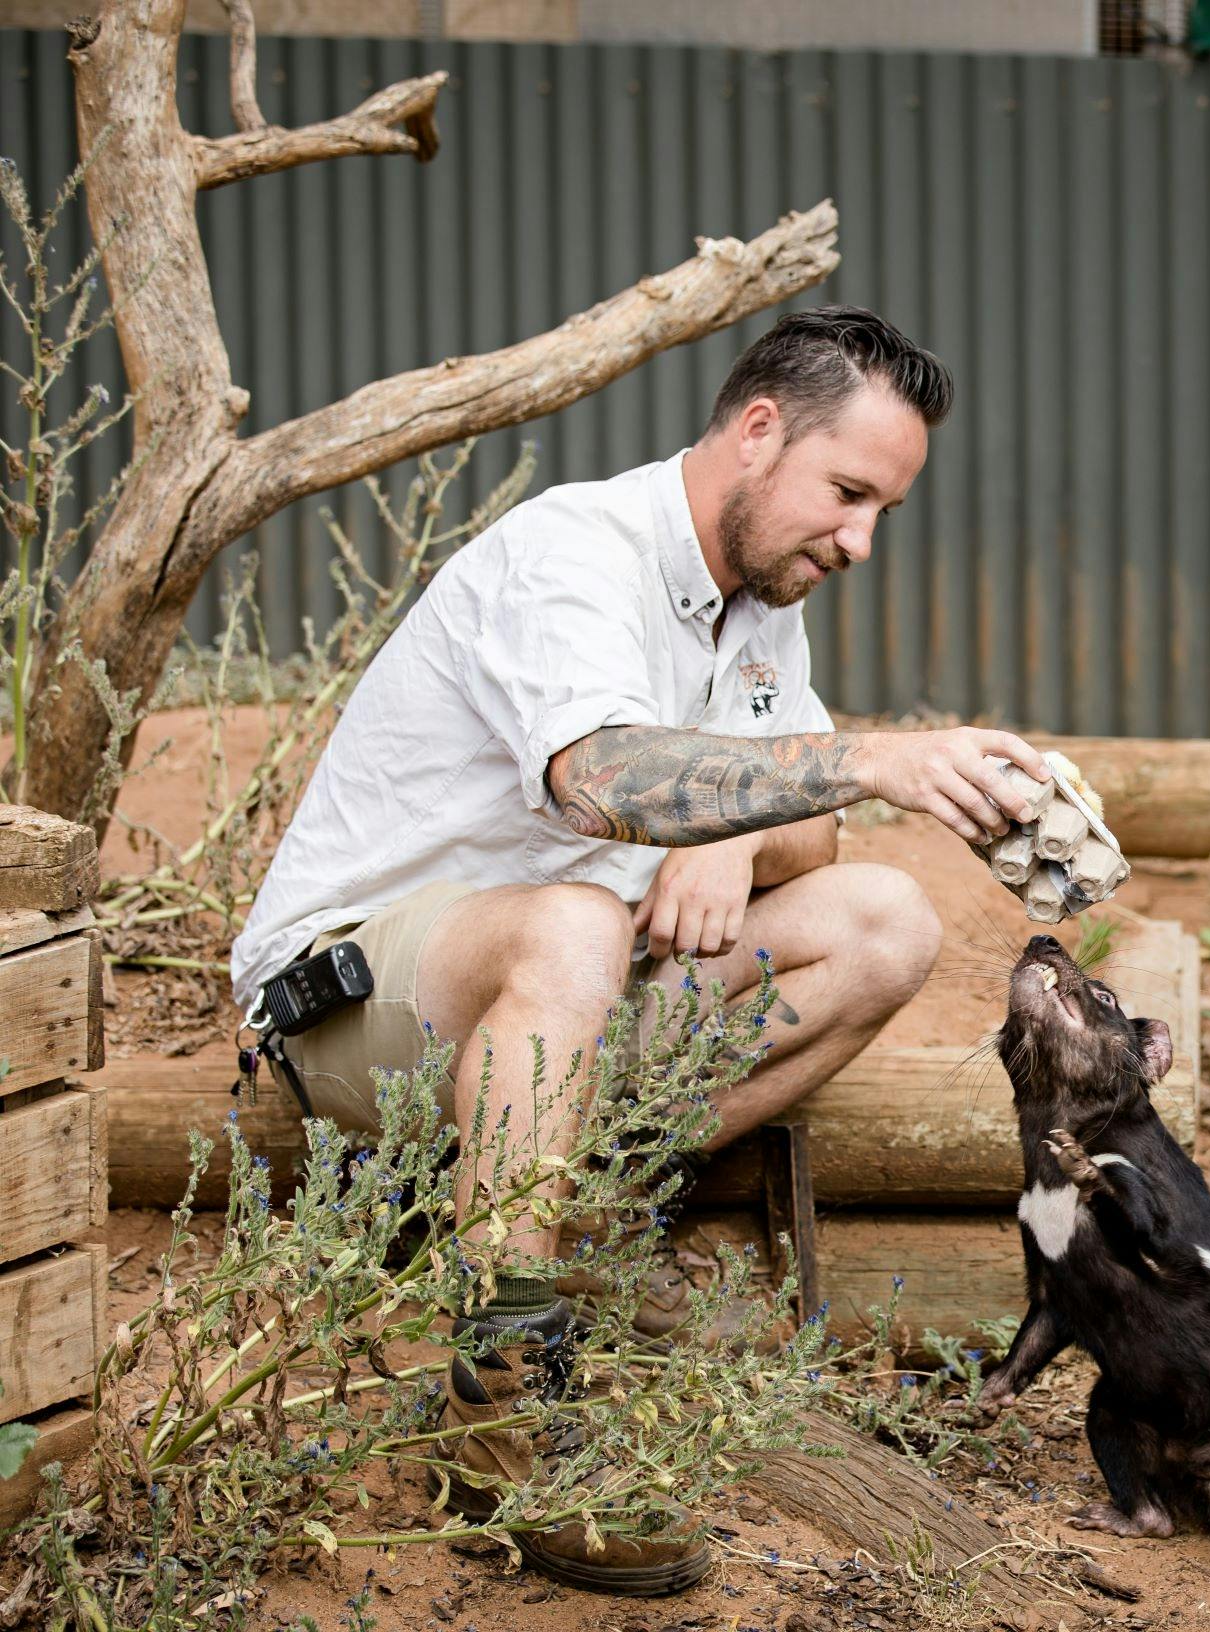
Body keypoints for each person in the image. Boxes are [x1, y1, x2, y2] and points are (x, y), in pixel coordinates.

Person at [229, 305, 1053, 1595]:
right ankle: (498, 1407)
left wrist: (732, 838)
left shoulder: (759, 598)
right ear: (759, 430)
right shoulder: (576, 552)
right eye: (847, 495)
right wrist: (862, 762)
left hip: (558, 1006)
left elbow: (809, 834)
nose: (859, 541)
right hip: (354, 999)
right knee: (572, 917)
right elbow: (603, 781)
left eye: (883, 511)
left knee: (888, 921)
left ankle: (566, 1204)